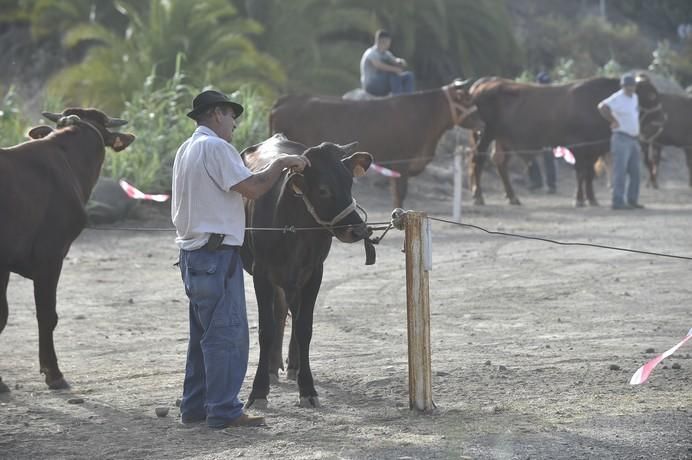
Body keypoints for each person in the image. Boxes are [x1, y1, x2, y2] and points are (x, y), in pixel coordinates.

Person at [171, 90, 310, 428]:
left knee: (202, 338)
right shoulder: (216, 148)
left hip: (193, 254)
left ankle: (195, 407)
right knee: (227, 336)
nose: (234, 124)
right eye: (232, 116)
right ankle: (224, 411)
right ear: (217, 114)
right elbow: (254, 187)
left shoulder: (186, 149)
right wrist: (281, 162)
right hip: (216, 255)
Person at [598, 74, 644, 210]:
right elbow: (602, 107)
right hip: (621, 138)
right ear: (623, 86)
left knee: (635, 171)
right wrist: (613, 120)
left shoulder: (635, 97)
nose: (631, 88)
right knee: (620, 171)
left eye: (632, 85)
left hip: (634, 138)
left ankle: (632, 200)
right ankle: (617, 201)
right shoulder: (617, 98)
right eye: (628, 86)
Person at [360, 29, 415, 97]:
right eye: (386, 42)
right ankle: (397, 97)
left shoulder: (386, 53)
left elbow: (394, 60)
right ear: (380, 41)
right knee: (393, 74)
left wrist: (400, 62)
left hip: (383, 83)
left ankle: (408, 98)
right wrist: (395, 69)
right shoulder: (371, 53)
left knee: (408, 76)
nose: (388, 45)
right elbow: (378, 65)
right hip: (371, 85)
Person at [527, 70, 557, 193]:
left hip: (548, 132)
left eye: (546, 83)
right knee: (530, 157)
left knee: (549, 158)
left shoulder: (554, 98)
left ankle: (551, 185)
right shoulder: (530, 97)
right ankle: (536, 182)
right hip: (533, 132)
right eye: (542, 83)